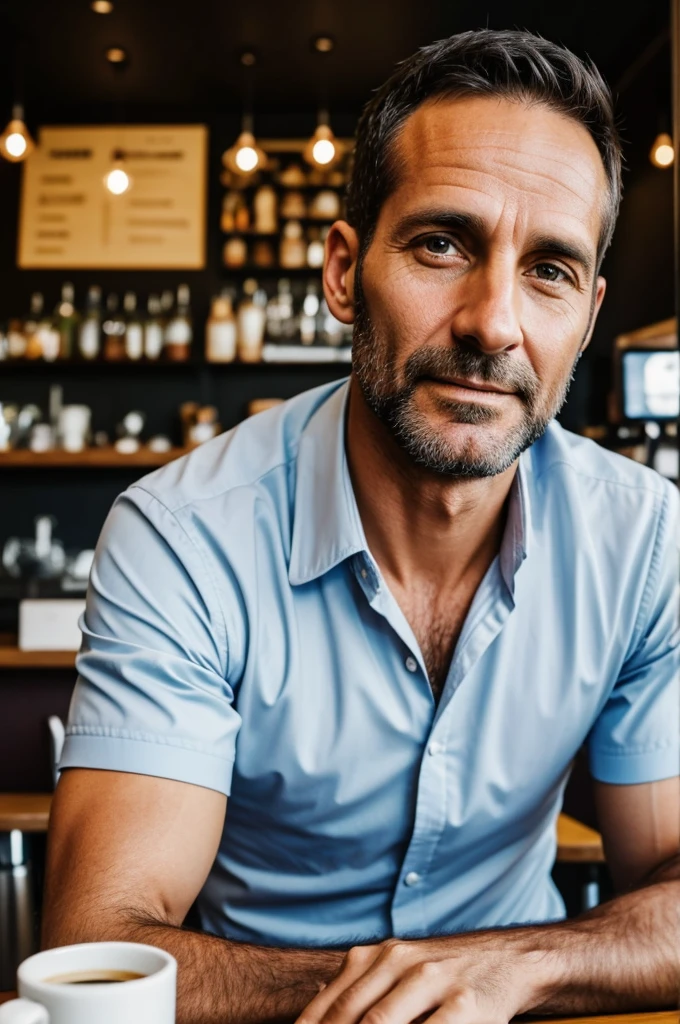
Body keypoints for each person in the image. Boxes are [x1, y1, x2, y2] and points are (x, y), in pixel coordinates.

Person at [44, 28, 679, 1024]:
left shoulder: (642, 542)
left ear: (587, 316)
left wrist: (512, 970)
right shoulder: (183, 537)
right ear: (343, 271)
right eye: (441, 244)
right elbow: (100, 946)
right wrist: (427, 985)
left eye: (547, 270)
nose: (491, 322)